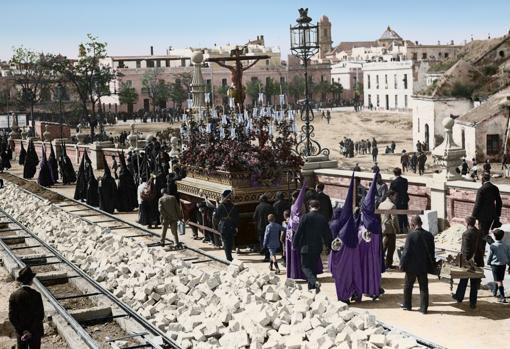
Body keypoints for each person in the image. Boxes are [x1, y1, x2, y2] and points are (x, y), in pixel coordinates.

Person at [293, 200, 332, 293]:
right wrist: (328, 246)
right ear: (318, 207)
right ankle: (312, 289)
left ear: (309, 206)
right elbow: (327, 234)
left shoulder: (305, 217)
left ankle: (314, 282)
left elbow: (299, 232)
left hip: (305, 246)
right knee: (313, 267)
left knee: (305, 267)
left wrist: (295, 244)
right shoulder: (322, 218)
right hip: (317, 247)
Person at [400, 215, 435, 314]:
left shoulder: (410, 235)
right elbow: (432, 252)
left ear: (412, 224)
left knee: (408, 285)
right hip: (423, 266)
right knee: (423, 287)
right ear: (421, 223)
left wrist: (402, 263)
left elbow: (406, 252)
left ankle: (407, 305)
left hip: (411, 266)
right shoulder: (429, 235)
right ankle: (424, 308)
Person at [9, 266, 44, 349]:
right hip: (35, 332)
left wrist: (23, 331)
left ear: (21, 282)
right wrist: (30, 331)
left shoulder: (14, 296)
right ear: (31, 281)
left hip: (21, 333)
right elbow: (40, 315)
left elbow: (12, 316)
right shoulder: (37, 295)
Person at [472, 172, 502, 266]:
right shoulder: (495, 188)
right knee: (484, 234)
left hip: (482, 216)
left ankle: (495, 250)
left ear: (483, 179)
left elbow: (477, 204)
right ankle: (492, 251)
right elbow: (499, 203)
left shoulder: (481, 189)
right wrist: (497, 215)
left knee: (483, 236)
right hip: (492, 216)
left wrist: (473, 216)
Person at [452, 216, 482, 308]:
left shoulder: (466, 233)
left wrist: (463, 261)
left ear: (468, 223)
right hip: (477, 259)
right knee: (474, 283)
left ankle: (459, 297)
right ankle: (473, 303)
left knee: (463, 279)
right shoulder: (478, 232)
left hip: (468, 261)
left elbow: (465, 249)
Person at [213, 190, 240, 261]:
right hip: (231, 226)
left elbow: (216, 217)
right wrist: (236, 226)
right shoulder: (233, 206)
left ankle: (228, 256)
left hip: (223, 226)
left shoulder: (221, 206)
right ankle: (229, 256)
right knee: (230, 242)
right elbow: (236, 217)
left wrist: (217, 226)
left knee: (226, 242)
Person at [487, 229, 510, 303]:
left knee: (499, 280)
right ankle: (494, 291)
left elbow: (490, 256)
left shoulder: (493, 246)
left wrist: (488, 262)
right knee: (498, 279)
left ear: (494, 236)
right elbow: (508, 256)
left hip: (495, 265)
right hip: (503, 265)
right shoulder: (506, 246)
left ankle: (502, 297)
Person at [380, 190, 400, 268]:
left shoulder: (381, 204)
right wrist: (397, 229)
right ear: (391, 196)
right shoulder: (392, 206)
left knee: (384, 246)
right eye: (395, 196)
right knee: (391, 247)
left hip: (382, 228)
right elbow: (394, 219)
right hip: (390, 229)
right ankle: (388, 264)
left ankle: (380, 262)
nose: (395, 198)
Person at [253, 194, 274, 261]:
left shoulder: (258, 207)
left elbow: (254, 217)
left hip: (261, 227)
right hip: (269, 226)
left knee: (263, 241)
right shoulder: (270, 206)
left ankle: (266, 255)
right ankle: (270, 255)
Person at [390, 167, 410, 233]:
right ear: (400, 173)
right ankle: (406, 228)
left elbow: (391, 192)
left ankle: (401, 229)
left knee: (399, 215)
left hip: (397, 200)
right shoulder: (405, 180)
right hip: (404, 199)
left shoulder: (393, 182)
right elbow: (406, 189)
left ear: (394, 173)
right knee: (405, 214)